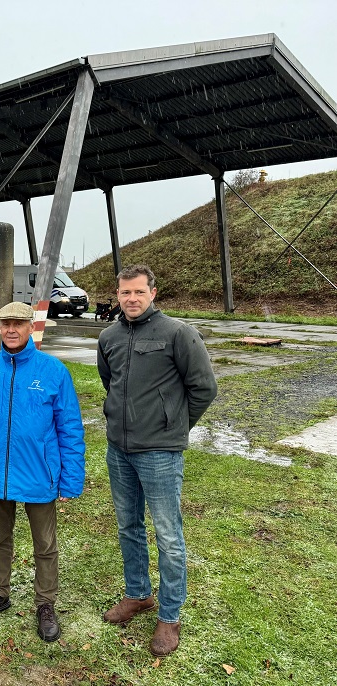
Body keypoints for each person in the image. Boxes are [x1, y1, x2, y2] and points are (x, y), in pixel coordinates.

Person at [97, 264, 217, 657]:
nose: (131, 299)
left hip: (160, 454)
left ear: (153, 293)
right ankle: (138, 595)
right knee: (129, 526)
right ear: (117, 295)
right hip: (119, 451)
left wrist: (173, 427)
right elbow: (110, 382)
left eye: (138, 292)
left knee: (168, 536)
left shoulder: (178, 334)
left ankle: (169, 614)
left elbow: (203, 388)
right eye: (124, 293)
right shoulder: (109, 336)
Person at [0, 302, 85, 642]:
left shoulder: (53, 371)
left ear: (31, 327)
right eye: (5, 324)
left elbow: (70, 427)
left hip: (39, 475)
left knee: (44, 543)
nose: (11, 330)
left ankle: (46, 603)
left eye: (18, 323)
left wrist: (71, 477)